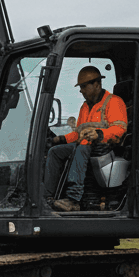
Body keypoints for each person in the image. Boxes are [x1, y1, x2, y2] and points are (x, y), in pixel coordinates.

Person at [45, 66, 127, 211]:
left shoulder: (114, 102)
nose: (81, 90)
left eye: (84, 86)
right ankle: (48, 197)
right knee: (55, 151)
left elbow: (119, 129)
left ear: (97, 84)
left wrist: (99, 134)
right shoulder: (85, 106)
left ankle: (73, 198)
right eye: (80, 87)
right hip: (85, 146)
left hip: (104, 147)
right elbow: (78, 134)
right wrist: (61, 139)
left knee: (82, 149)